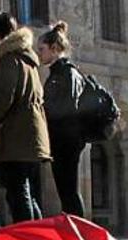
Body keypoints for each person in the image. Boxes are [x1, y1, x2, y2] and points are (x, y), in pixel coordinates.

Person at [0, 12, 50, 225]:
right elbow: (22, 96)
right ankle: (39, 239)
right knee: (26, 192)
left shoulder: (9, 58)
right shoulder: (27, 59)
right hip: (32, 135)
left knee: (18, 194)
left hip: (18, 136)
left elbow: (6, 99)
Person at [38, 21, 85, 217]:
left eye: (42, 49)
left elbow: (67, 107)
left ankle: (79, 234)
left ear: (55, 48)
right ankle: (74, 233)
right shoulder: (59, 73)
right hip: (63, 139)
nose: (40, 54)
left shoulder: (66, 72)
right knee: (66, 192)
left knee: (69, 191)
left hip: (66, 140)